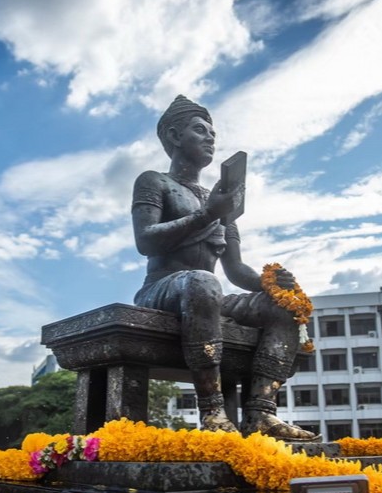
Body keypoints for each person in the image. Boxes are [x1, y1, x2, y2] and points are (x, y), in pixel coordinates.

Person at [131, 95, 318, 441]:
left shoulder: (219, 199)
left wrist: (270, 283)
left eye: (213, 133)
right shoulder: (154, 182)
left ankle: (261, 411)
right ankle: (212, 410)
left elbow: (235, 270)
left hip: (208, 293)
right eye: (199, 130)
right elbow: (146, 241)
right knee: (203, 282)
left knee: (284, 306)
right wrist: (207, 214)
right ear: (174, 136)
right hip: (162, 289)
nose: (210, 138)